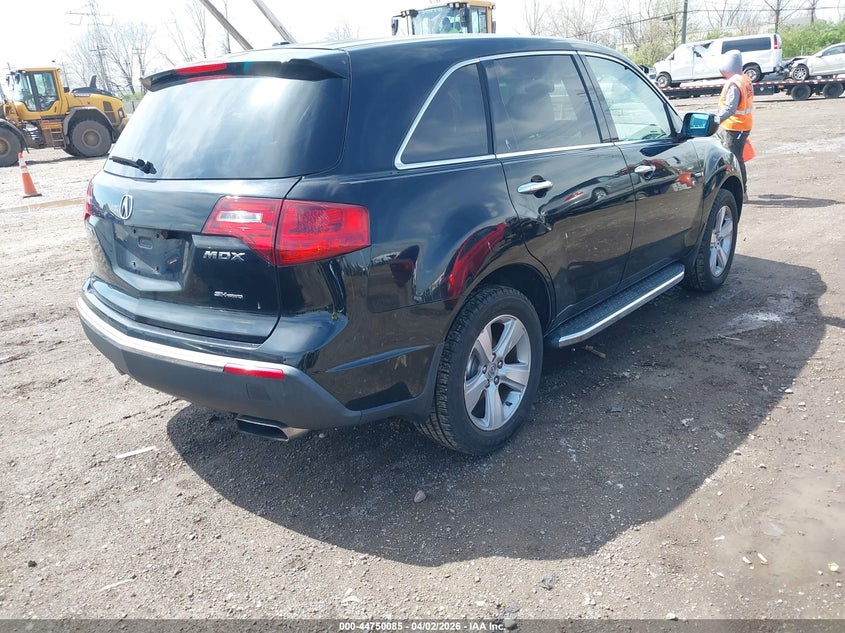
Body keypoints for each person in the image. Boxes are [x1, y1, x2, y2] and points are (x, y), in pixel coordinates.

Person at [715, 50, 754, 198]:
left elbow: (730, 108)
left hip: (736, 127)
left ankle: (742, 192)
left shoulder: (734, 83)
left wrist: (716, 119)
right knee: (734, 157)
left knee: (735, 159)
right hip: (740, 125)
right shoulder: (744, 78)